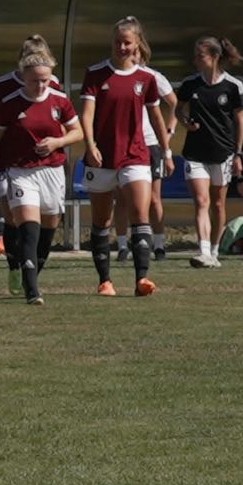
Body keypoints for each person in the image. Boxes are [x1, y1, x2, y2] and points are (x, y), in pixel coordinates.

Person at [78, 16, 177, 297]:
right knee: (101, 220)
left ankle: (141, 279)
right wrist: (90, 144)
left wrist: (167, 151)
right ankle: (105, 281)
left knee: (139, 213)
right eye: (117, 42)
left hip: (136, 155)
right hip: (102, 158)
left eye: (127, 42)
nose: (121, 47)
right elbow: (86, 114)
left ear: (137, 45)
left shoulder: (146, 79)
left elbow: (156, 117)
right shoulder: (96, 74)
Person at [0, 38, 80, 303]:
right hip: (20, 172)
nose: (40, 85)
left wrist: (57, 142)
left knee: (49, 228)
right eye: (35, 80)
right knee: (27, 225)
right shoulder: (11, 103)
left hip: (52, 171)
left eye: (45, 80)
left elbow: (77, 132)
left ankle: (29, 272)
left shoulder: (60, 100)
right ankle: (32, 290)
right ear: (23, 76)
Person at [175, 35, 243, 265]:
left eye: (201, 56)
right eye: (196, 56)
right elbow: (179, 110)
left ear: (215, 57)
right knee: (201, 201)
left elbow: (239, 122)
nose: (196, 61)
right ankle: (204, 251)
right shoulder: (190, 84)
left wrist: (238, 153)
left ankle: (216, 251)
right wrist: (185, 121)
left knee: (218, 203)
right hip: (195, 153)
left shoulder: (232, 86)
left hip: (223, 153)